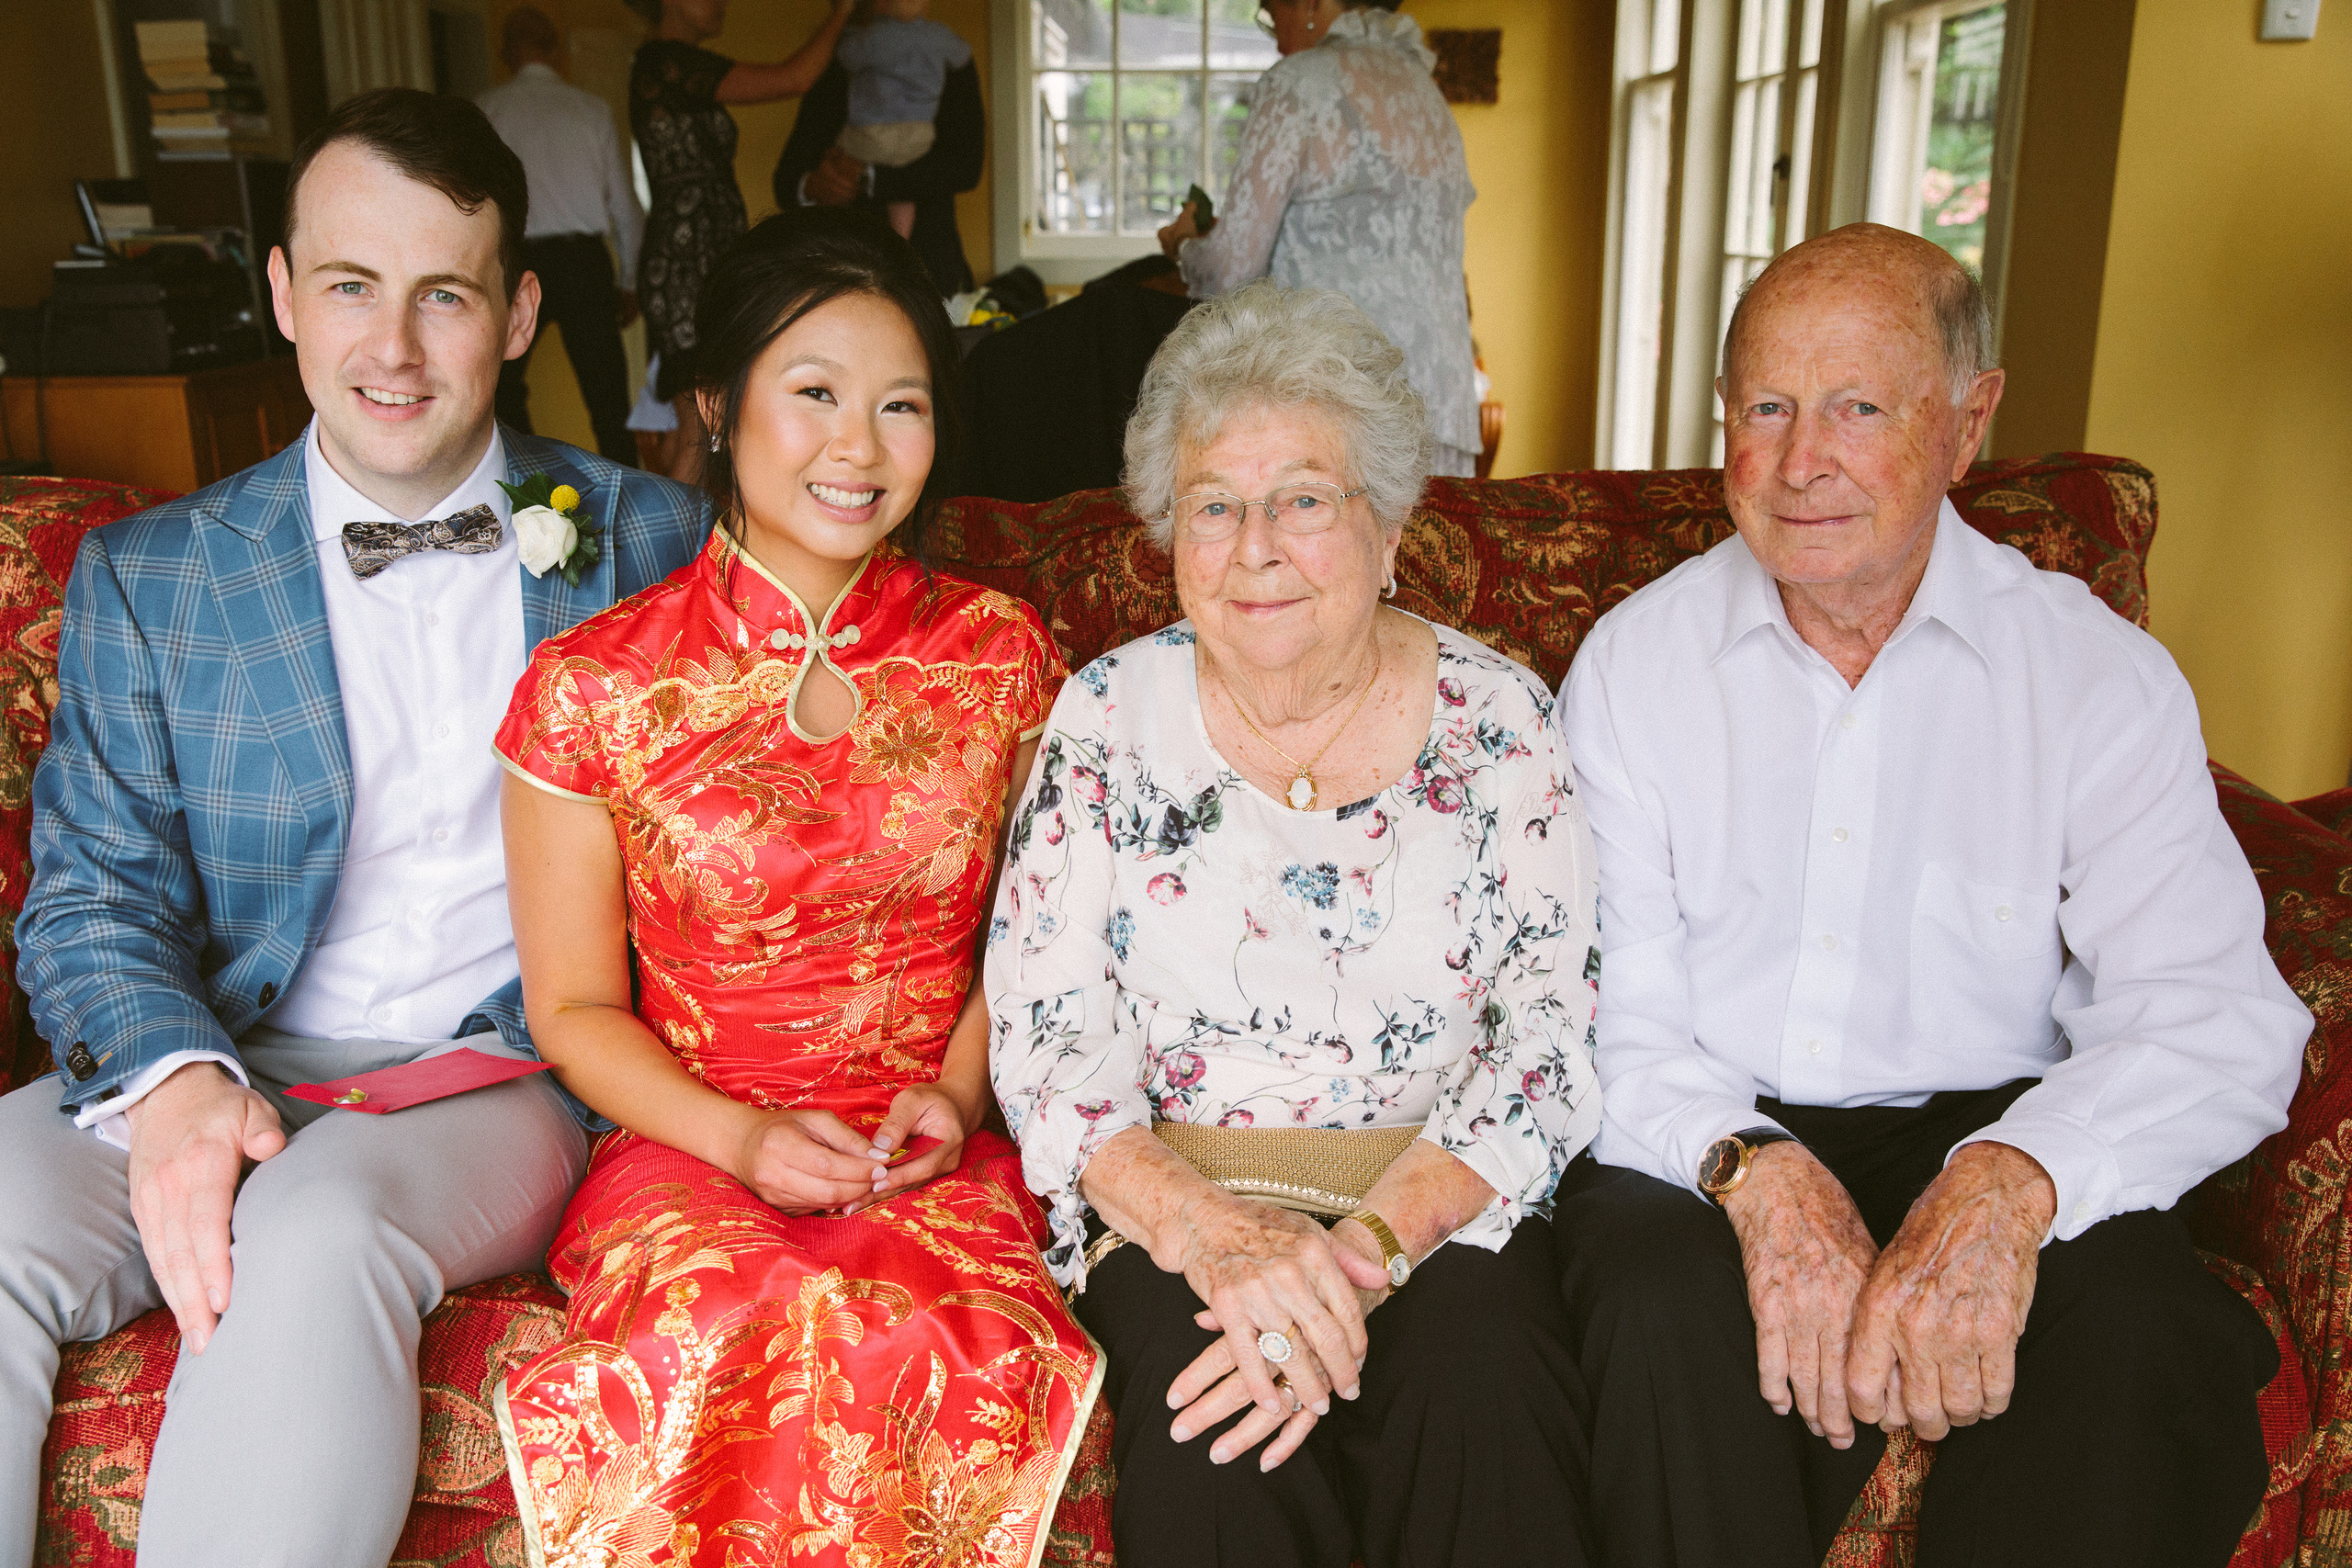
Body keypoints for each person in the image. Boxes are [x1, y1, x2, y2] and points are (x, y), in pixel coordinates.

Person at [0, 89, 706, 1568]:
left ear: (518, 314)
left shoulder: (649, 539)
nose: (391, 350)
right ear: (282, 295)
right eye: (349, 288)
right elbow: (87, 892)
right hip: (226, 1046)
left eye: (442, 295)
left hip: (495, 1074)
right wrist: (177, 1083)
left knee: (315, 1235)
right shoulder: (155, 575)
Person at [1551, 222, 2310, 1568]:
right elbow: (1608, 1012)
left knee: (2142, 1331)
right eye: (1767, 408)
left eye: (1858, 407)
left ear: (1967, 424)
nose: (1802, 463)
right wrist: (1756, 1176)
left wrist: (2014, 1182)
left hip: (2002, 1119)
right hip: (1708, 1128)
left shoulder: (2094, 676)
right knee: (1652, 1299)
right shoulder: (1634, 666)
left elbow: (2215, 1017)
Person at [493, 206, 1099, 1567]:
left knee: (941, 1332)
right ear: (715, 400)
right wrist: (745, 1141)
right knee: (733, 1318)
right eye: (815, 393)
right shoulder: (596, 685)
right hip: (691, 1143)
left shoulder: (1000, 656)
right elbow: (574, 1006)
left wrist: (954, 1092)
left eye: (902, 406)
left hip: (933, 1136)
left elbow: (1046, 935)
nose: (859, 447)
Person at [989, 280, 1602, 1568]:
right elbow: (1049, 1038)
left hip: (1434, 1207)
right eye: (1214, 504)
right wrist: (1216, 1236)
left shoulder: (1499, 721)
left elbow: (1545, 1040)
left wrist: (1358, 1256)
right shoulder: (1106, 717)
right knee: (1220, 1427)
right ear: (1169, 532)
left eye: (1304, 498)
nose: (1254, 543)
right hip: (1176, 1210)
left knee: (1486, 1388)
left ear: (1387, 529)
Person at [1155, 0, 1480, 479]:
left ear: (1309, 4)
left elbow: (1229, 270)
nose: (1272, 32)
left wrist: (1183, 244)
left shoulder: (1296, 84)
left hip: (1347, 408)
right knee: (1438, 552)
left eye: (1271, 12)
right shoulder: (1426, 93)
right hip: (1443, 405)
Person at [627, 0, 854, 477]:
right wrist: (842, 11)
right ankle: (677, 549)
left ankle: (685, 541)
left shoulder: (672, 65)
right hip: (685, 263)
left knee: (706, 413)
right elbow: (794, 78)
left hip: (706, 259)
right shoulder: (665, 62)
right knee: (698, 413)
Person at [479, 5, 647, 467]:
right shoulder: (590, 110)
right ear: (555, 50)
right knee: (608, 399)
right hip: (584, 261)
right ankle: (625, 498)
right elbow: (625, 206)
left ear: (507, 52)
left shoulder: (486, 111)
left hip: (516, 262)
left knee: (503, 390)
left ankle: (529, 490)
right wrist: (632, 280)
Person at [771, 23, 983, 298]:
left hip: (928, 269)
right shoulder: (836, 62)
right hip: (837, 271)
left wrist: (868, 176)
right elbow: (788, 180)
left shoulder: (944, 57)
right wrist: (813, 185)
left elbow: (965, 166)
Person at [832, 0, 971, 241]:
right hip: (919, 136)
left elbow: (845, 56)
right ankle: (900, 239)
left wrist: (850, 30)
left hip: (870, 134)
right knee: (904, 191)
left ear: (881, 5)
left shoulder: (874, 37)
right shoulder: (938, 36)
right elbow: (963, 55)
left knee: (836, 155)